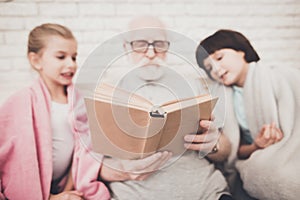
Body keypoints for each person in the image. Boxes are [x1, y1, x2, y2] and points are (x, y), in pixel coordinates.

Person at [98, 16, 233, 200]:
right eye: (140, 44)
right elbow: (89, 166)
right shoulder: (107, 92)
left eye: (159, 44)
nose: (151, 53)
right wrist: (123, 171)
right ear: (126, 47)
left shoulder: (193, 84)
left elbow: (225, 150)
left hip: (206, 192)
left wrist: (214, 144)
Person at [0, 23, 110, 199]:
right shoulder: (19, 103)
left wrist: (68, 191)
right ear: (36, 61)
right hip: (33, 188)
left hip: (66, 183)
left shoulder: (79, 101)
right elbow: (15, 160)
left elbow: (82, 152)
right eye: (61, 57)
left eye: (74, 57)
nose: (71, 64)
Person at [196, 29, 300, 200]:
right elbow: (236, 151)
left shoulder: (279, 76)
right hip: (259, 157)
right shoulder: (223, 99)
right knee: (273, 175)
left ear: (242, 51)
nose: (216, 69)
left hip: (293, 149)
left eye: (219, 58)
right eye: (209, 68)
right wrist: (257, 146)